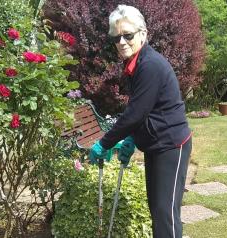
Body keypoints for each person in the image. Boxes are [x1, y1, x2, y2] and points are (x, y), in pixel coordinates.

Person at [89, 5, 192, 238]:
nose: (122, 42)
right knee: (158, 210)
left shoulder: (150, 65)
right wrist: (132, 138)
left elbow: (135, 113)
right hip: (157, 144)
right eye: (116, 38)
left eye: (128, 35)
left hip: (171, 145)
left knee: (166, 214)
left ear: (143, 34)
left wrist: (104, 143)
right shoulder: (135, 64)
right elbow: (147, 110)